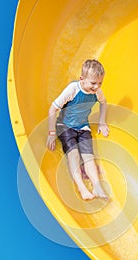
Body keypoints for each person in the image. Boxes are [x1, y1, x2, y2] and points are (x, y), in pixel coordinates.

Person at [46, 59, 109, 200]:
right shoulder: (73, 90)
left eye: (100, 83)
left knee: (89, 158)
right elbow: (53, 109)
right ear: (82, 79)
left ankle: (97, 187)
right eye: (93, 83)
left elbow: (104, 104)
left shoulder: (97, 92)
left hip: (83, 127)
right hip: (65, 126)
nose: (96, 87)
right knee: (73, 155)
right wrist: (51, 133)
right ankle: (82, 188)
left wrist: (102, 122)